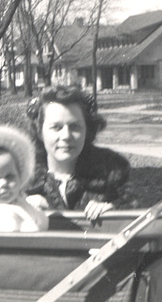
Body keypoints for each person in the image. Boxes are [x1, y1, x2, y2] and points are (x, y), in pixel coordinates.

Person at [25, 86, 131, 220]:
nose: (66, 136)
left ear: (87, 130)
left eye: (75, 127)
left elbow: (138, 222)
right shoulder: (20, 177)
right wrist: (20, 208)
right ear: (39, 131)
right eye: (56, 127)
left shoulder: (112, 172)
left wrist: (115, 212)